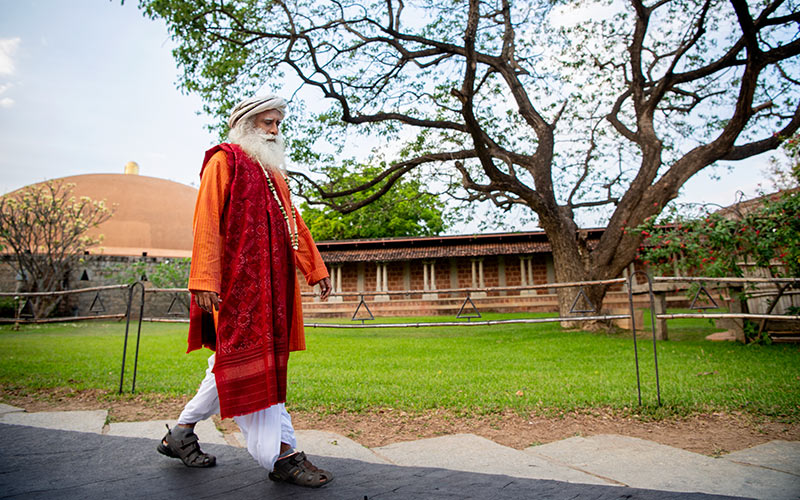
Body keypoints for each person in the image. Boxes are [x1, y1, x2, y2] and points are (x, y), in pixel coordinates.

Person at [156, 94, 334, 488]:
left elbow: (295, 225)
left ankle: (181, 433)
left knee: (231, 364)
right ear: (246, 125)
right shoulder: (224, 161)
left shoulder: (274, 175)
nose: (274, 131)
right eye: (266, 123)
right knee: (256, 364)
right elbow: (205, 220)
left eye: (277, 125)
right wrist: (204, 278)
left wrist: (314, 268)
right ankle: (282, 455)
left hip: (273, 288)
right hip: (236, 290)